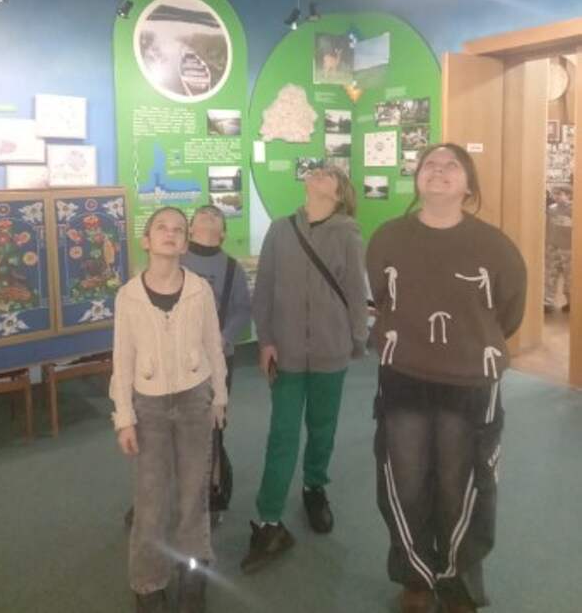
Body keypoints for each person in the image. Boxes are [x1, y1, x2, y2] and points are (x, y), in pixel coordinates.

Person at [366, 144, 527, 613]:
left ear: (468, 185)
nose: (438, 170)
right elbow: (381, 296)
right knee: (404, 480)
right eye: (429, 164)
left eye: (451, 165)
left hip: (470, 383)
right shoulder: (388, 238)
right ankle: (415, 577)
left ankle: (459, 586)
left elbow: (509, 312)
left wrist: (470, 346)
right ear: (417, 179)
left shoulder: (495, 247)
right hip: (403, 376)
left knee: (465, 483)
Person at [241, 165, 369, 573]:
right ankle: (269, 517)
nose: (317, 174)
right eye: (315, 171)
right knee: (282, 434)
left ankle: (315, 486)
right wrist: (265, 340)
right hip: (287, 352)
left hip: (331, 350)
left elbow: (355, 291)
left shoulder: (348, 233)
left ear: (339, 193)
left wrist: (358, 338)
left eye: (328, 174)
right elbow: (264, 289)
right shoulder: (281, 230)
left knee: (322, 426)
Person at [111, 206, 227, 613]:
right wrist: (124, 416)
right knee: (151, 499)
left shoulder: (199, 290)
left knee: (194, 495)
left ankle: (193, 573)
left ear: (184, 243)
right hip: (150, 406)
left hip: (195, 400)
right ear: (146, 240)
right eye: (161, 227)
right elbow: (122, 359)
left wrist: (219, 397)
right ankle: (148, 581)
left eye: (179, 229)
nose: (170, 233)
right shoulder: (128, 296)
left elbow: (213, 345)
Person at [183, 204, 252, 391]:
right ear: (190, 229)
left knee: (216, 405)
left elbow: (243, 309)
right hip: (176, 352)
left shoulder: (233, 267)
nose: (209, 214)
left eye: (216, 214)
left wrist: (224, 338)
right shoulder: (175, 260)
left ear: (223, 234)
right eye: (202, 212)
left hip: (218, 353)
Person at [544, 184, 572, 314]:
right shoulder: (551, 209)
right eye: (554, 194)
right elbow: (548, 226)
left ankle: (571, 301)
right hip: (553, 245)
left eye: (559, 194)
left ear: (568, 195)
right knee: (550, 274)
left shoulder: (574, 209)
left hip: (568, 248)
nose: (556, 196)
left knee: (570, 276)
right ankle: (547, 301)